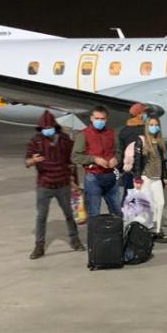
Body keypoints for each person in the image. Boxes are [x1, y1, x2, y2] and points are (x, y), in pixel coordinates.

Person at [25, 111, 83, 259]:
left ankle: (75, 240)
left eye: (50, 127)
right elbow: (27, 162)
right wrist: (33, 161)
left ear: (55, 127)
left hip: (63, 184)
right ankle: (39, 246)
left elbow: (72, 163)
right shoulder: (36, 141)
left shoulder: (65, 141)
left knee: (69, 214)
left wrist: (74, 183)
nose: (47, 130)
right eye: (44, 128)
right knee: (41, 217)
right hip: (44, 185)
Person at [71, 105, 122, 216]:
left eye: (102, 119)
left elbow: (118, 152)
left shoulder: (111, 133)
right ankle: (94, 233)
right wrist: (93, 159)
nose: (99, 121)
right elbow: (75, 157)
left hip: (111, 177)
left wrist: (116, 159)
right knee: (94, 212)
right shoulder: (83, 134)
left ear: (106, 119)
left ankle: (117, 232)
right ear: (91, 118)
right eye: (97, 118)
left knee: (117, 211)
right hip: (93, 178)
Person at [125, 115, 167, 242]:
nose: (154, 127)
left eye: (156, 125)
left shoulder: (160, 142)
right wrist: (137, 177)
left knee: (160, 203)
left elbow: (162, 162)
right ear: (147, 126)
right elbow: (138, 160)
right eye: (151, 125)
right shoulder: (142, 141)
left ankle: (157, 230)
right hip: (146, 177)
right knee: (144, 205)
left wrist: (164, 177)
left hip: (157, 177)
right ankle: (143, 229)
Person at [117, 103, 147, 189]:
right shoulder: (145, 130)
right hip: (144, 169)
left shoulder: (124, 131)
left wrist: (120, 169)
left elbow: (121, 151)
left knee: (129, 197)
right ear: (139, 114)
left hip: (129, 169)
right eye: (143, 113)